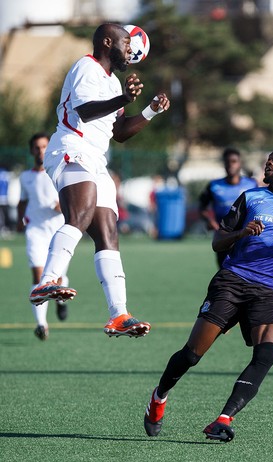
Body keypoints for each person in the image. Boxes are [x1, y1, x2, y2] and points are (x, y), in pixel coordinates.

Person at [144, 145, 273, 442]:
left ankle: (223, 419)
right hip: (232, 281)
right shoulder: (252, 197)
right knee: (192, 355)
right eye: (269, 159)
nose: (268, 163)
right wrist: (241, 233)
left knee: (268, 352)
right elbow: (218, 242)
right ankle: (159, 396)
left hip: (271, 290)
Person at [29, 23, 170, 339]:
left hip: (96, 158)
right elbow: (86, 111)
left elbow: (118, 133)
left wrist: (149, 110)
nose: (130, 50)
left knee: (108, 233)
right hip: (71, 147)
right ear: (108, 42)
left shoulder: (113, 81)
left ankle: (119, 315)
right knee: (78, 217)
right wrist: (122, 99)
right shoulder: (87, 67)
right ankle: (46, 282)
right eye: (125, 42)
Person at [17, 133, 69, 341]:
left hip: (58, 232)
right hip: (35, 232)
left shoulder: (58, 171)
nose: (41, 151)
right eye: (37, 148)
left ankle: (60, 301)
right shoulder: (25, 177)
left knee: (57, 279)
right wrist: (19, 221)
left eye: (44, 147)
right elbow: (22, 201)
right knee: (39, 278)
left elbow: (71, 195)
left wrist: (62, 204)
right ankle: (41, 324)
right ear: (31, 151)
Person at [198, 147, 257, 267]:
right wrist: (209, 220)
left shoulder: (251, 184)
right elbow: (202, 207)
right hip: (224, 235)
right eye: (227, 162)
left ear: (240, 164)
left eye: (234, 161)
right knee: (224, 271)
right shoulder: (214, 186)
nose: (231, 165)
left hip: (246, 235)